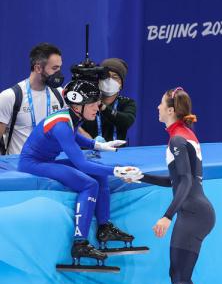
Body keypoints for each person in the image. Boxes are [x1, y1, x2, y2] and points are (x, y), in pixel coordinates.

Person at [18, 79, 141, 263]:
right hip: (32, 164)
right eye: (93, 104)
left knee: (98, 174)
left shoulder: (71, 117)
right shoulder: (61, 125)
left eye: (97, 103)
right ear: (77, 105)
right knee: (89, 184)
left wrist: (98, 145)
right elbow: (82, 164)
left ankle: (104, 228)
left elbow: (74, 134)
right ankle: (79, 244)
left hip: (43, 159)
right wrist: (117, 171)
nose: (97, 108)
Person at [137, 87, 216, 284]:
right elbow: (178, 181)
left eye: (160, 104)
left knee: (178, 275)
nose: (157, 108)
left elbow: (184, 183)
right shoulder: (185, 135)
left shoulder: (176, 140)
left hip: (191, 212)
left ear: (171, 110)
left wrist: (167, 216)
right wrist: (140, 176)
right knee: (183, 275)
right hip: (200, 211)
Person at [0, 43, 65, 155]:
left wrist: (94, 143)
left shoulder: (59, 93)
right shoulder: (10, 96)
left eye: (59, 68)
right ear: (38, 68)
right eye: (55, 68)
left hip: (51, 164)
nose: (58, 73)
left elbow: (69, 126)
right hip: (19, 167)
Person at [80, 58, 137, 143]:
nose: (110, 80)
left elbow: (126, 122)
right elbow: (70, 123)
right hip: (88, 151)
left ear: (121, 84)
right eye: (106, 76)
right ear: (98, 80)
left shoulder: (127, 103)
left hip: (118, 153)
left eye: (115, 77)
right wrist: (88, 139)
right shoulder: (85, 100)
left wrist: (102, 107)